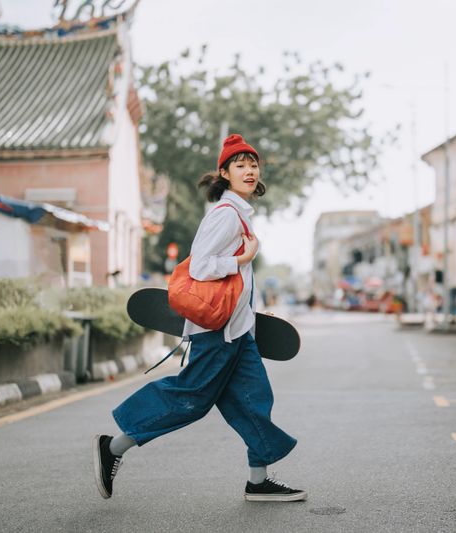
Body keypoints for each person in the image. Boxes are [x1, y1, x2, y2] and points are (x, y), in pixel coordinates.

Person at [93, 134, 306, 502]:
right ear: (224, 173)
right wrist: (240, 260)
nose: (249, 170)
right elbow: (203, 267)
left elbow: (235, 285)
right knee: (190, 399)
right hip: (217, 334)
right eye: (239, 165)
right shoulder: (225, 216)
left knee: (254, 401)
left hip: (239, 333)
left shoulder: (240, 214)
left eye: (253, 164)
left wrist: (251, 312)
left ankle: (258, 482)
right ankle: (113, 446)